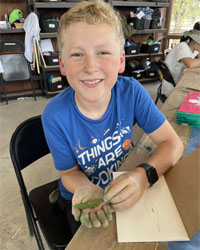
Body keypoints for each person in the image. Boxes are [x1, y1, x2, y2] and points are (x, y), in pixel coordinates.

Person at [42, 0, 183, 236]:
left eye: (103, 52)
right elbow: (68, 173)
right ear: (63, 65)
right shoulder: (55, 116)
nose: (90, 66)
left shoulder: (131, 92)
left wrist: (143, 176)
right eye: (77, 54)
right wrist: (86, 189)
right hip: (81, 196)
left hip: (126, 178)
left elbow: (173, 144)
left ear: (120, 61)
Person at [160, 23, 200, 98]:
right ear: (196, 42)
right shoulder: (182, 46)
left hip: (178, 81)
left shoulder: (193, 49)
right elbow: (190, 64)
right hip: (172, 88)